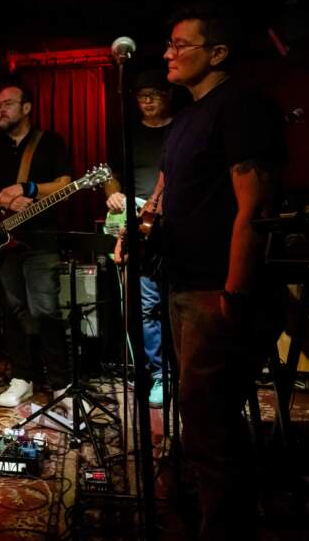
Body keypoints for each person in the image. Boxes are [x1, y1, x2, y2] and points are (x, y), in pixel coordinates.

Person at [153, 3, 286, 540]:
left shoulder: (241, 106)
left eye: (180, 44)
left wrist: (235, 290)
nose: (168, 53)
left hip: (216, 288)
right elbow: (171, 188)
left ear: (218, 53)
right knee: (199, 416)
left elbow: (254, 205)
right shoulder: (188, 116)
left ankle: (227, 528)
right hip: (186, 282)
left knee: (210, 422)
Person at [0, 84, 72, 411]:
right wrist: (2, 199)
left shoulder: (50, 142)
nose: (1, 110)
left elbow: (65, 185)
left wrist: (29, 188)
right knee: (11, 310)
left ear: (27, 108)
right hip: (4, 243)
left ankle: (60, 383)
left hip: (40, 239)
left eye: (8, 104)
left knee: (45, 309)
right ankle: (22, 378)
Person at [105, 69, 175, 408]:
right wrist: (113, 193)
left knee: (179, 303)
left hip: (177, 223)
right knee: (147, 306)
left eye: (153, 94)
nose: (145, 101)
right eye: (140, 95)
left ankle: (184, 371)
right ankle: (159, 374)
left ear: (168, 94)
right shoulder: (128, 134)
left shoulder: (180, 129)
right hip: (140, 228)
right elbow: (110, 175)